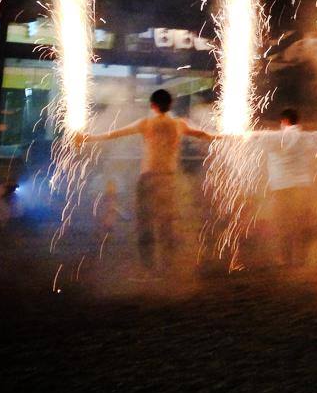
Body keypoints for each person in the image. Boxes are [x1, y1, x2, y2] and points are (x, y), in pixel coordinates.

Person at [75, 89, 213, 273]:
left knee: (145, 221)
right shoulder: (178, 124)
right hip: (167, 179)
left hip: (148, 179)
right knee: (166, 222)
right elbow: (204, 134)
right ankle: (167, 264)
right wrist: (229, 136)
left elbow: (114, 134)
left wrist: (88, 138)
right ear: (170, 105)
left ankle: (149, 266)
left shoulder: (146, 123)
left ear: (153, 105)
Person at [251, 108, 317, 266]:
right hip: (302, 187)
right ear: (297, 121)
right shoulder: (307, 137)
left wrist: (207, 135)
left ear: (284, 121)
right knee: (302, 223)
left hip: (281, 189)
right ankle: (302, 260)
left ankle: (286, 261)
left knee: (283, 224)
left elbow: (242, 136)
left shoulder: (273, 137)